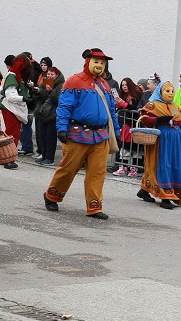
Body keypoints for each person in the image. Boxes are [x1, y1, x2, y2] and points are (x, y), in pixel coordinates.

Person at [43, 48, 119, 220]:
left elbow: (111, 111)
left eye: (102, 63)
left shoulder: (105, 85)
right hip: (77, 134)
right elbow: (64, 107)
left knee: (97, 172)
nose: (99, 65)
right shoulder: (73, 82)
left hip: (100, 135)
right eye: (96, 61)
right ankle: (51, 195)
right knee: (68, 169)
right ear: (88, 62)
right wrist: (61, 128)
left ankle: (94, 206)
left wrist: (117, 130)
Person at [137, 81, 181, 209]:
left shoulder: (176, 106)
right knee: (162, 165)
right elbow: (144, 118)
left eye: (171, 91)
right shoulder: (153, 105)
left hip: (175, 142)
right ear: (160, 92)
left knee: (173, 165)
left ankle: (145, 190)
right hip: (161, 141)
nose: (170, 93)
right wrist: (158, 120)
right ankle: (165, 196)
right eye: (167, 91)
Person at [0, 54, 32, 170]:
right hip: (11, 108)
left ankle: (4, 158)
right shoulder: (13, 76)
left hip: (12, 108)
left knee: (9, 134)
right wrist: (23, 98)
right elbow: (10, 96)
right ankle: (9, 159)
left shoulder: (16, 75)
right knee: (12, 135)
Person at [33, 58, 64, 167]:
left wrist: (50, 91)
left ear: (57, 75)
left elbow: (58, 100)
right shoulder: (45, 82)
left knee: (50, 137)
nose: (50, 76)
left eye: (52, 74)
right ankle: (44, 156)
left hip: (53, 114)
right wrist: (38, 91)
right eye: (49, 74)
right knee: (43, 136)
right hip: (43, 113)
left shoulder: (61, 85)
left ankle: (50, 158)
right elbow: (41, 97)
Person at [112, 78, 144, 178]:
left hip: (136, 124)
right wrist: (119, 105)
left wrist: (124, 104)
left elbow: (136, 110)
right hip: (126, 124)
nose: (124, 87)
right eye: (122, 85)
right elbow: (122, 109)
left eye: (126, 85)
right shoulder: (123, 95)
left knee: (135, 149)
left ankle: (134, 168)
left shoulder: (137, 95)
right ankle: (123, 167)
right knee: (124, 147)